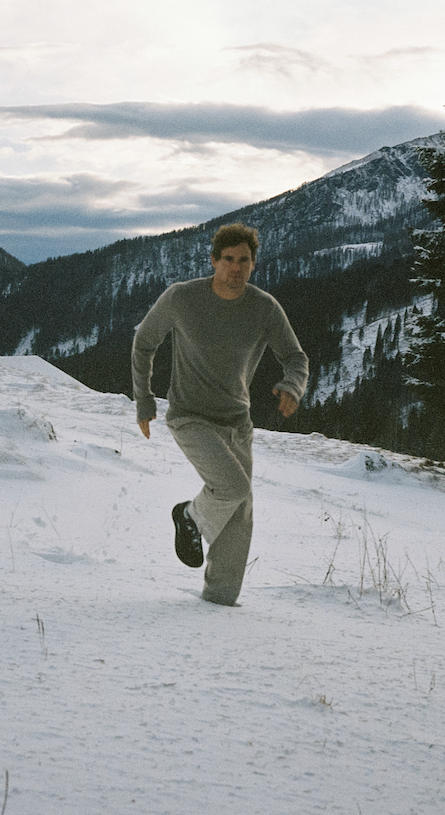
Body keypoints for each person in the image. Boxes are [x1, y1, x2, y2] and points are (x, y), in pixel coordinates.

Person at [131, 222, 308, 606]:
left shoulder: (264, 308)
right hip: (190, 417)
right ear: (213, 261)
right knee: (233, 489)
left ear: (253, 264)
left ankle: (219, 603)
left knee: (239, 515)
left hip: (237, 423)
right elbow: (144, 342)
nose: (236, 268)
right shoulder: (182, 298)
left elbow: (296, 357)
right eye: (228, 259)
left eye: (244, 260)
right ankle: (189, 517)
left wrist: (292, 386)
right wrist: (143, 399)